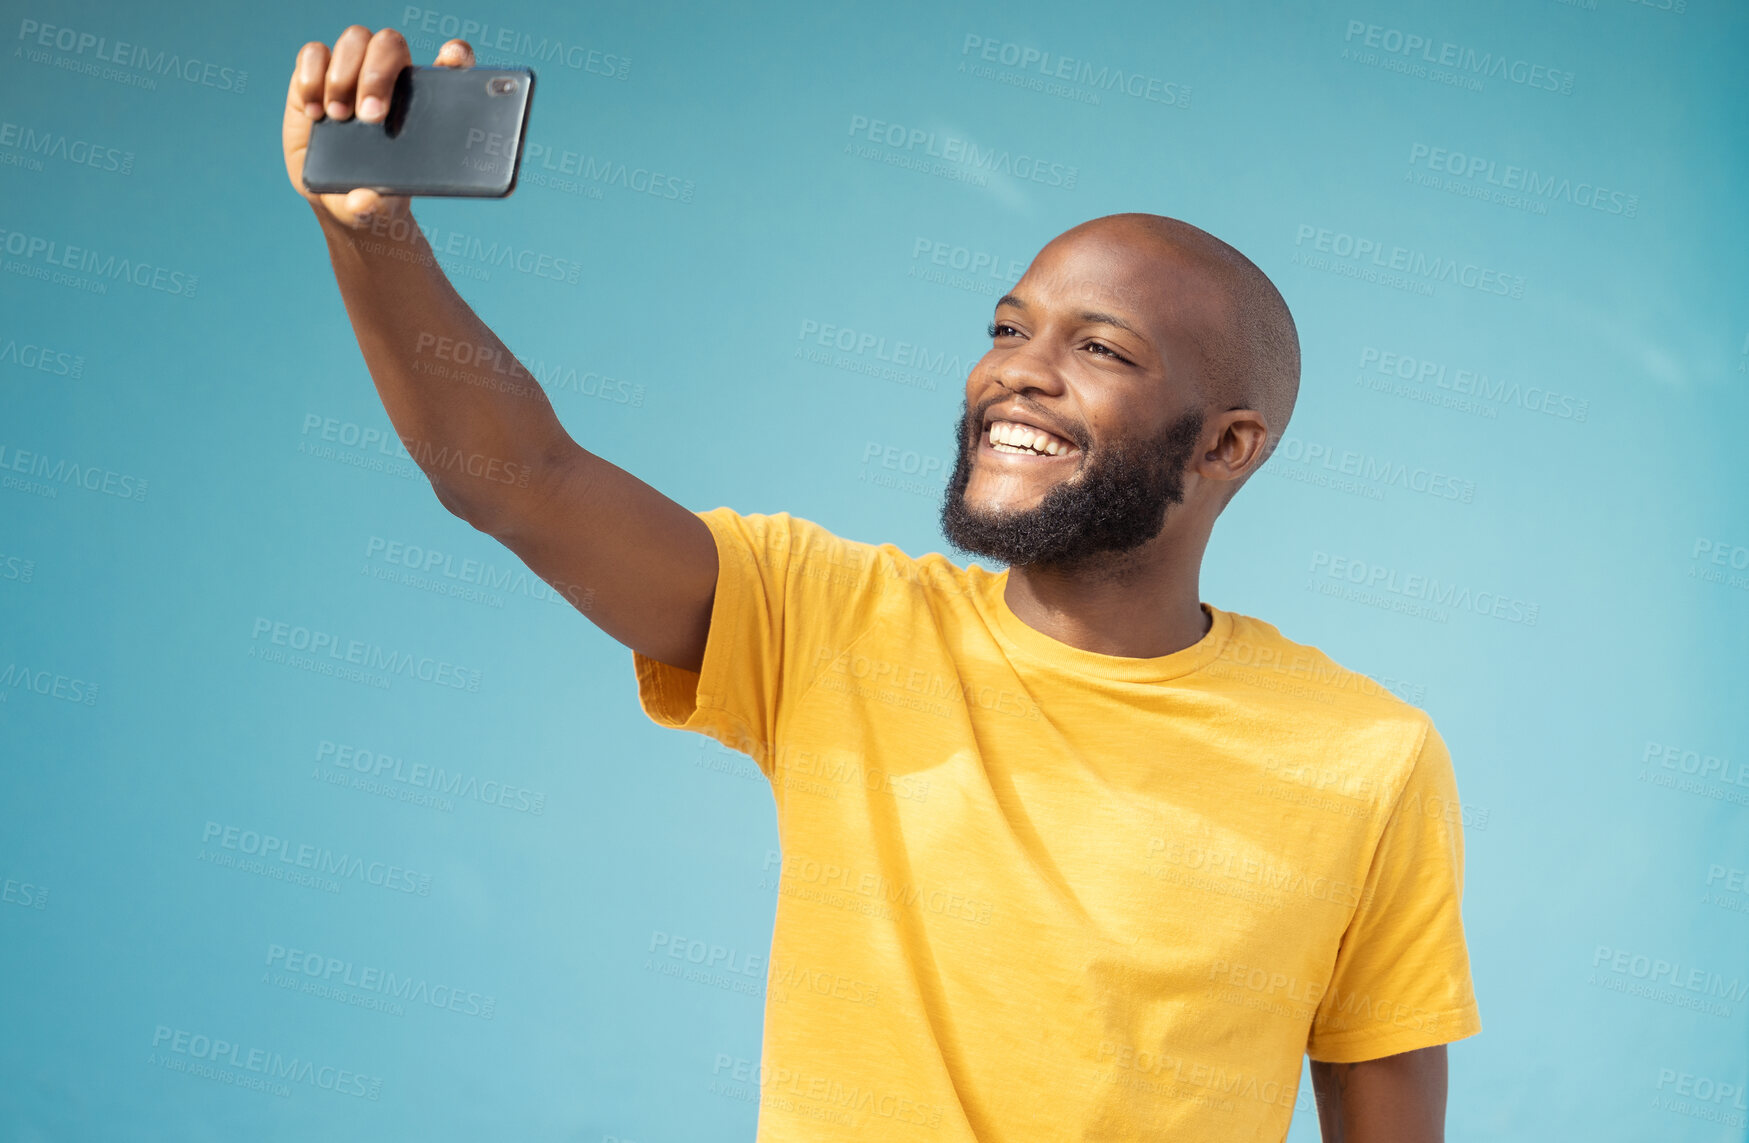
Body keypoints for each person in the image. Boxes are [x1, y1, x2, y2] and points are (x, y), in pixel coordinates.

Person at [284, 27, 1481, 1142]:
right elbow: (518, 479)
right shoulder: (832, 622)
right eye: (1010, 329)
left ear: (1226, 446)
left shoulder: (1364, 755)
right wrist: (367, 235)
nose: (1018, 375)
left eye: (1100, 349)